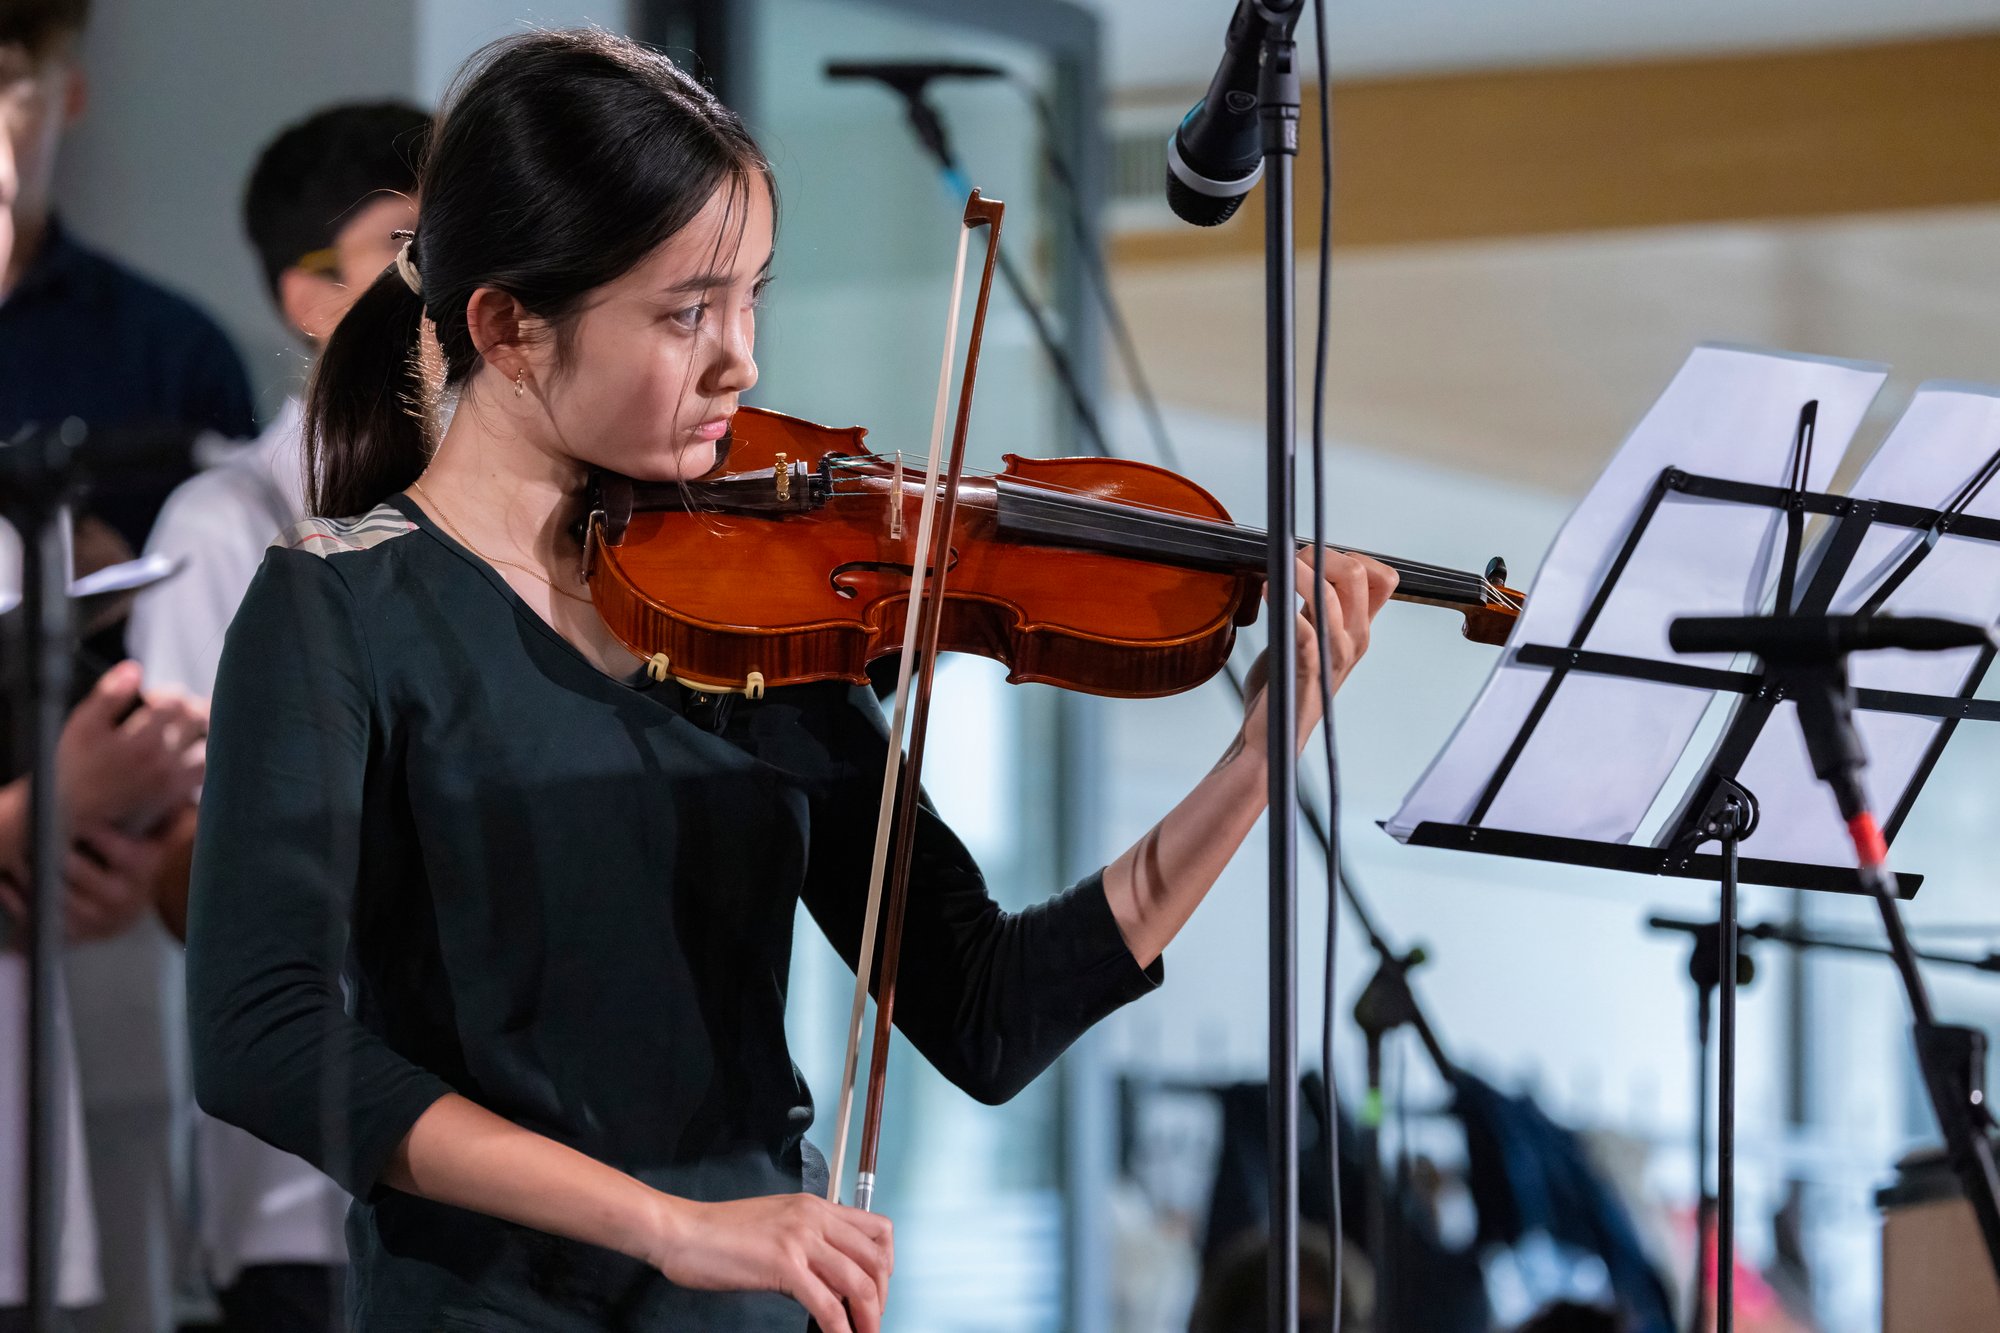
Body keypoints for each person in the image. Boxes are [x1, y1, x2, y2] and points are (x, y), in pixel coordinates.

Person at [185, 28, 1397, 1331]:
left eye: (752, 297)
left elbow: (983, 1010)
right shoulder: (338, 605)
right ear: (508, 327)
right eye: (685, 310)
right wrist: (674, 1224)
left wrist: (1259, 760)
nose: (742, 360)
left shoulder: (754, 601)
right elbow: (263, 1040)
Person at [127, 100, 426, 1331]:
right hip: (308, 1189)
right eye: (410, 245)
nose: (447, 281)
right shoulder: (222, 525)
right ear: (310, 299)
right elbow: (192, 871)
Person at [1, 4, 252, 1328]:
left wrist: (109, 837)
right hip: (47, 820)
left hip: (118, 867)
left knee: (103, 1251)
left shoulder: (164, 345)